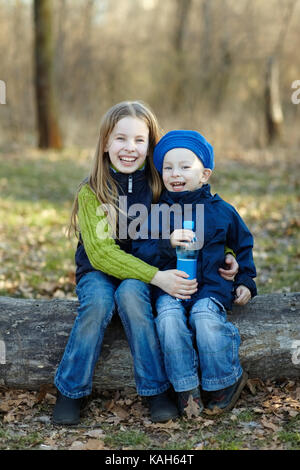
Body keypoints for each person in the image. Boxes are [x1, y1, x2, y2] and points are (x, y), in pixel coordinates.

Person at [52, 102, 239, 425]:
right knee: (97, 302)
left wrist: (229, 254)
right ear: (105, 143)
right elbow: (101, 255)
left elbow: (205, 215)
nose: (129, 148)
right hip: (100, 273)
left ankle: (155, 390)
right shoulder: (92, 191)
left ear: (151, 146)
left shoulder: (159, 184)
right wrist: (158, 277)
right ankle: (71, 390)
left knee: (131, 296)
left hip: (143, 273)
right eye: (121, 139)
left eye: (140, 140)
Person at [132, 130, 257, 416]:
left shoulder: (222, 211)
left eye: (185, 167)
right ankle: (185, 388)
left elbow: (243, 245)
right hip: (170, 289)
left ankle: (224, 381)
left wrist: (245, 280)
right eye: (168, 167)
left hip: (210, 288)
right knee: (168, 320)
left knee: (204, 318)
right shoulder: (155, 212)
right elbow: (140, 250)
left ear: (205, 174)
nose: (175, 173)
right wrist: (166, 243)